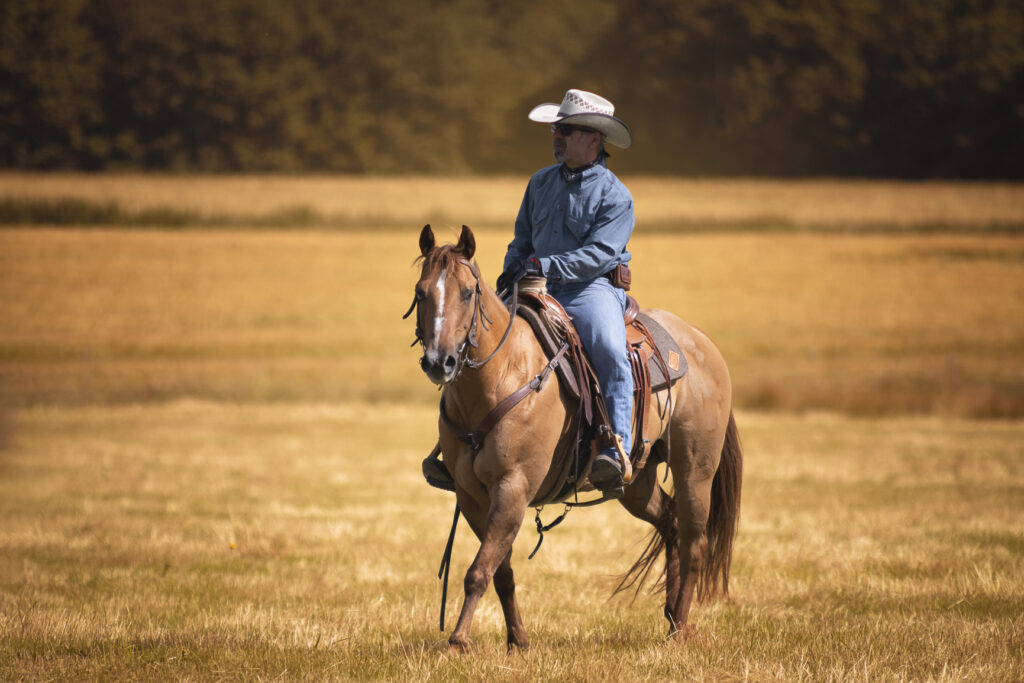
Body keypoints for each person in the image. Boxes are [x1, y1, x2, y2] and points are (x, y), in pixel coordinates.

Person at [496, 88, 635, 490]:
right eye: (556, 129)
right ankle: (453, 446)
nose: (557, 136)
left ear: (594, 140)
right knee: (477, 335)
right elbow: (521, 240)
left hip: (589, 290)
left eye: (567, 130)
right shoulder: (538, 183)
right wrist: (511, 271)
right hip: (534, 286)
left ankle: (616, 446)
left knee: (609, 348)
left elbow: (598, 256)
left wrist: (541, 263)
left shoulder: (616, 196)